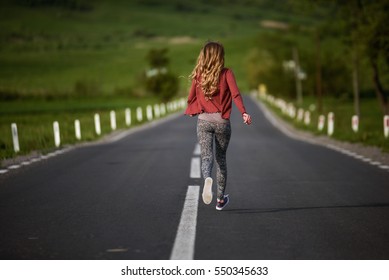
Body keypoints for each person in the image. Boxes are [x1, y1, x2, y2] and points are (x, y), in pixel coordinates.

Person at [185, 41, 252, 211]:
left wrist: (195, 109)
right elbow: (236, 94)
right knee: (221, 159)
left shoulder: (199, 75)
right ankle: (220, 199)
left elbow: (191, 97)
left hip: (203, 122)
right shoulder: (227, 73)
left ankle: (207, 178)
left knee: (206, 157)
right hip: (222, 122)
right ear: (220, 56)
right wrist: (244, 112)